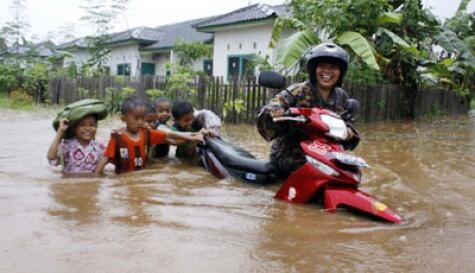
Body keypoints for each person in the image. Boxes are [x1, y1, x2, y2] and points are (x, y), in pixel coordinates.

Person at [257, 43, 360, 178]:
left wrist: (350, 132)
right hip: (292, 157)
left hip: (326, 157)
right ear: (314, 69)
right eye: (322, 66)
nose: (327, 71)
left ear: (340, 72)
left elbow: (348, 125)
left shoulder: (341, 96)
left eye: (333, 67)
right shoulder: (298, 90)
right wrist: (278, 112)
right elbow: (273, 107)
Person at [95, 96, 204, 174]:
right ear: (124, 119)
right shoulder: (117, 138)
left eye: (142, 118)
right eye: (136, 118)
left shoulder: (147, 133)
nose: (140, 122)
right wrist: (96, 177)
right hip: (123, 180)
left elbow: (169, 135)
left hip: (142, 178)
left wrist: (194, 135)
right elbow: (105, 158)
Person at [47, 100, 107, 174]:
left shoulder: (100, 148)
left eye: (92, 125)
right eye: (82, 125)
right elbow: (52, 158)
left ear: (96, 127)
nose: (87, 128)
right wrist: (60, 131)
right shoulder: (67, 145)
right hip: (70, 183)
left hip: (92, 184)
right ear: (74, 128)